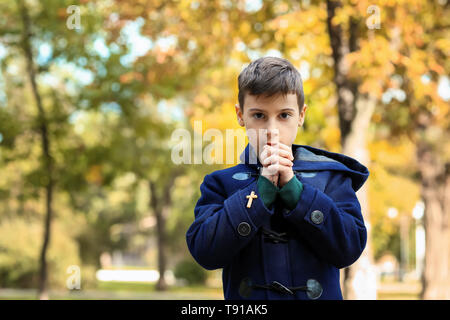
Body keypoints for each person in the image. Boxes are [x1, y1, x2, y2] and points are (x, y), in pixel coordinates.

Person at [186, 56, 370, 300]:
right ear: (241, 116)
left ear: (301, 115)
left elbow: (349, 249)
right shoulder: (220, 183)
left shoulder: (331, 178)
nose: (272, 130)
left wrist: (298, 193)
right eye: (259, 115)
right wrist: (259, 194)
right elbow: (205, 252)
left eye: (284, 115)